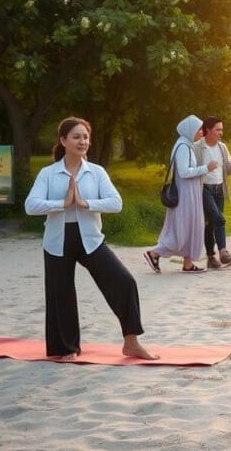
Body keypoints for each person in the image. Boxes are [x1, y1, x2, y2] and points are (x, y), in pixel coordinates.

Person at [25, 116, 158, 360]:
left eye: (85, 137)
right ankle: (67, 349)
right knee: (61, 294)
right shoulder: (48, 173)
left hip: (91, 239)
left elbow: (115, 203)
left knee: (124, 281)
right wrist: (61, 204)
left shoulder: (96, 172)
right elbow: (30, 205)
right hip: (57, 241)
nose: (82, 141)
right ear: (63, 140)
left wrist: (85, 203)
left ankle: (131, 342)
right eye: (76, 137)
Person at [144, 116, 217, 273]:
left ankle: (188, 264)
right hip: (185, 195)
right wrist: (206, 168)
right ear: (190, 130)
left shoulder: (186, 145)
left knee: (190, 226)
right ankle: (155, 253)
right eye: (199, 130)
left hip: (190, 193)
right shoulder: (183, 146)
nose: (202, 133)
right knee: (182, 228)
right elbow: (184, 172)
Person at [194, 116, 231, 269]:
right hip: (204, 189)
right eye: (218, 130)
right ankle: (223, 253)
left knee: (211, 223)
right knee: (219, 219)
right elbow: (191, 170)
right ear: (207, 130)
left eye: (221, 130)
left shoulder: (222, 147)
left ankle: (211, 258)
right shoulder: (197, 147)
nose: (221, 133)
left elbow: (228, 171)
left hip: (219, 190)